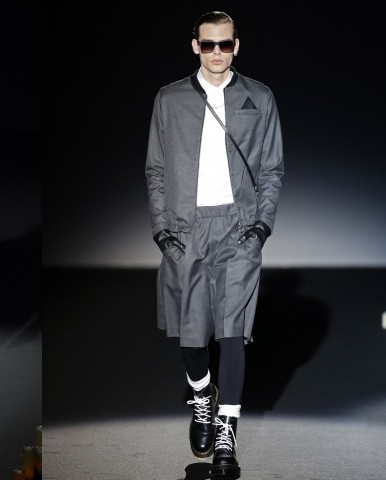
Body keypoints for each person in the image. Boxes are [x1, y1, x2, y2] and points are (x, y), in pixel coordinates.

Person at [144, 10, 284, 478]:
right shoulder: (169, 99)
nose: (217, 52)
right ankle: (202, 392)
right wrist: (162, 230)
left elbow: (272, 168)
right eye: (209, 44)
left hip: (239, 229)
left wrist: (261, 227)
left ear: (236, 45)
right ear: (195, 46)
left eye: (225, 44)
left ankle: (227, 431)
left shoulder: (259, 97)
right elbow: (156, 168)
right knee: (191, 338)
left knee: (231, 331)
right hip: (186, 230)